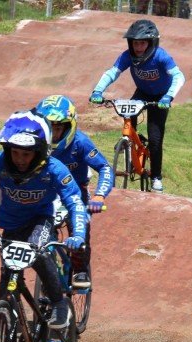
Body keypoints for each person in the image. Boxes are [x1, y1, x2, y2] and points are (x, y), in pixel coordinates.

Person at [0, 110, 87, 331]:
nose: (19, 160)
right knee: (7, 278)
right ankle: (10, 327)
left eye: (26, 155)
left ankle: (59, 304)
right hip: (10, 225)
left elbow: (75, 202)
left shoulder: (55, 169)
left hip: (40, 219)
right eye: (15, 153)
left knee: (38, 253)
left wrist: (77, 235)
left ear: (39, 152)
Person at [89, 19, 185, 193]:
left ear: (151, 43)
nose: (138, 47)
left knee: (155, 139)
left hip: (160, 98)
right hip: (141, 93)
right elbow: (113, 73)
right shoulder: (127, 56)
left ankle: (156, 177)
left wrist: (168, 97)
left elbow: (179, 76)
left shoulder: (161, 56)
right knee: (128, 120)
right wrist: (98, 91)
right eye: (135, 43)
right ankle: (130, 145)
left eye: (142, 43)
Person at [33, 95, 113, 289]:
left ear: (69, 127)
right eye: (48, 127)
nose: (52, 134)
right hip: (45, 194)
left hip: (75, 194)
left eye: (58, 128)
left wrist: (99, 196)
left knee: (79, 226)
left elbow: (104, 167)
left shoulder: (80, 143)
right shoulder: (32, 142)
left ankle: (80, 269)